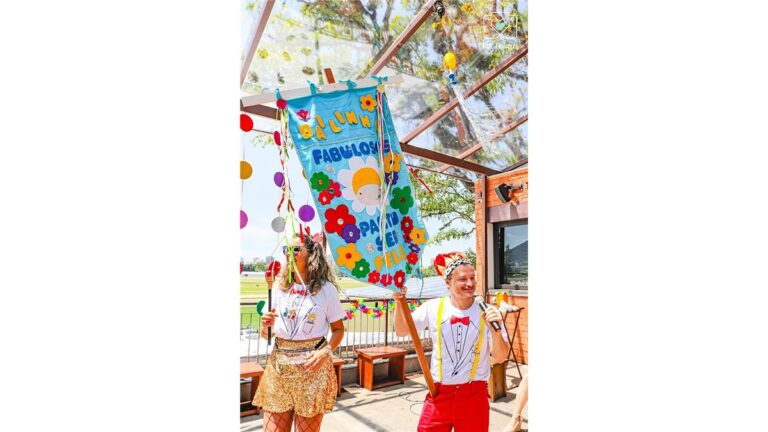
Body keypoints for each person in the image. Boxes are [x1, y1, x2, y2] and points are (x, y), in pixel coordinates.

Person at [394, 252, 510, 432]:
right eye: (463, 279)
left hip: (474, 395)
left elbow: (501, 357)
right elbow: (402, 330)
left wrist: (496, 330)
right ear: (448, 283)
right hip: (439, 394)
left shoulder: (488, 311)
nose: (470, 284)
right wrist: (398, 301)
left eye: (472, 278)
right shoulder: (433, 307)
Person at [254, 232, 345, 432]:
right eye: (286, 249)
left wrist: (325, 351)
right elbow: (267, 335)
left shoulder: (326, 290)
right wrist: (264, 327)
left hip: (311, 369)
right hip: (279, 368)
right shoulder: (278, 287)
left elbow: (338, 330)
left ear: (311, 254)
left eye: (296, 249)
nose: (289, 254)